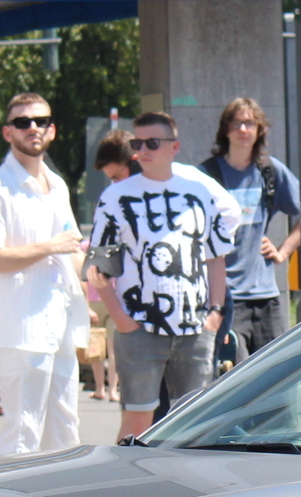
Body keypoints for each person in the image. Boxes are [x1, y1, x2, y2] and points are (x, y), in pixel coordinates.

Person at [90, 111, 235, 440]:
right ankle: (126, 488)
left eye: (153, 142)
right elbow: (98, 270)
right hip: (139, 327)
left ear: (175, 147)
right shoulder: (116, 198)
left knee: (194, 427)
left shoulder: (199, 194)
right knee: (137, 425)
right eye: (137, 143)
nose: (143, 150)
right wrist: (123, 321)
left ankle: (189, 490)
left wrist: (214, 314)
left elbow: (216, 258)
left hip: (195, 328)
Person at [0, 94, 86, 455]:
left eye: (41, 121)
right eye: (22, 122)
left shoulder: (58, 185)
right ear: (8, 132)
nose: (32, 128)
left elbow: (72, 250)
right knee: (23, 434)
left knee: (65, 431)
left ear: (52, 130)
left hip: (61, 320)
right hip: (21, 327)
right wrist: (50, 247)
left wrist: (90, 282)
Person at [198, 97, 301, 360]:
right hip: (227, 294)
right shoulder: (208, 175)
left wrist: (283, 251)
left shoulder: (270, 171)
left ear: (259, 130)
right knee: (236, 375)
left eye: (250, 123)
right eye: (236, 123)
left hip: (266, 294)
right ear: (225, 130)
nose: (243, 130)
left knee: (277, 371)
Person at [80, 132, 132, 401]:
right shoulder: (112, 202)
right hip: (129, 312)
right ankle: (107, 389)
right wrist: (120, 317)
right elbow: (97, 267)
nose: (115, 185)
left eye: (116, 176)